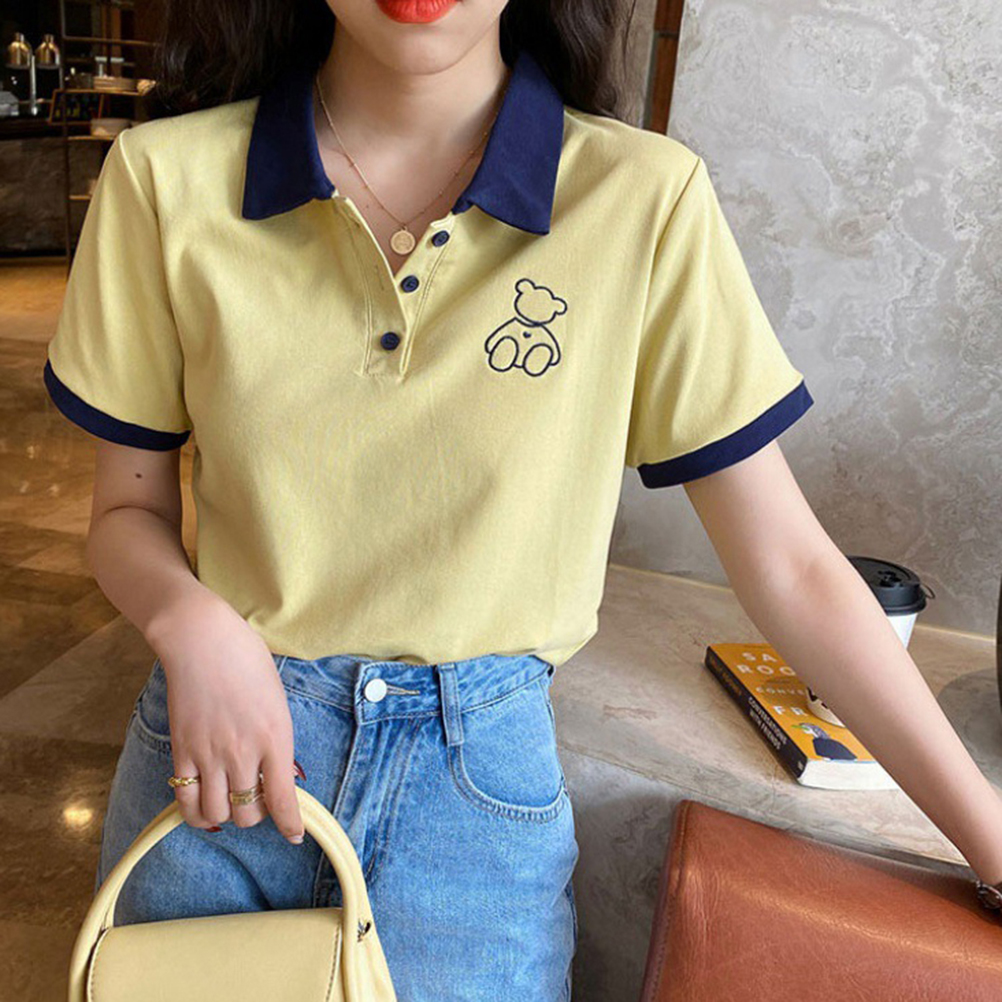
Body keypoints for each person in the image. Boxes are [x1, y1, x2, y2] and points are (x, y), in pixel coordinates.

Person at [42, 0, 1002, 999]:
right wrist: (194, 625)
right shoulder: (163, 178)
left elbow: (793, 567)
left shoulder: (643, 198)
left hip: (474, 812)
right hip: (218, 777)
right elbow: (127, 513)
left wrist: (992, 842)